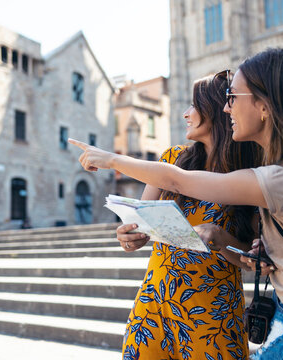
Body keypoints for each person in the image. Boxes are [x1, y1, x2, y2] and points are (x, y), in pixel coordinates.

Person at [69, 48, 283, 359]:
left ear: (262, 106)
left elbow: (177, 181)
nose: (227, 107)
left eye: (233, 98)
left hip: (239, 315)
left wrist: (111, 159)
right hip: (160, 303)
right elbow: (155, 207)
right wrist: (130, 236)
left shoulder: (270, 178)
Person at [115, 71, 261, 359]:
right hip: (155, 303)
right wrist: (129, 236)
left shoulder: (249, 175)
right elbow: (140, 222)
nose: (185, 113)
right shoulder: (171, 159)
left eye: (194, 105)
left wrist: (219, 236)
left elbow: (251, 258)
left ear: (218, 110)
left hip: (212, 314)